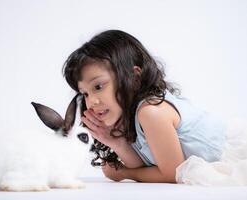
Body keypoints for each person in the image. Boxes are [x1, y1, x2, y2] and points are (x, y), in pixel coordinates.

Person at [62, 30, 228, 183]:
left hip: (227, 154)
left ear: (134, 77)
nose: (91, 102)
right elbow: (142, 165)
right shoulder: (129, 115)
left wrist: (123, 173)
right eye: (85, 93)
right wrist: (118, 144)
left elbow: (173, 174)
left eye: (98, 86)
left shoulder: (150, 112)